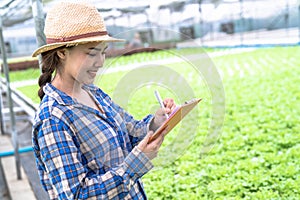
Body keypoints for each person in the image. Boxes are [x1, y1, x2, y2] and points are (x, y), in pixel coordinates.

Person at [31, 2, 176, 199]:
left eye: (103, 51)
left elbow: (130, 132)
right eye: (91, 52)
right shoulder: (53, 119)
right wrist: (134, 166)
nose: (100, 62)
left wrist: (157, 121)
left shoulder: (94, 93)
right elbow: (76, 195)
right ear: (62, 53)